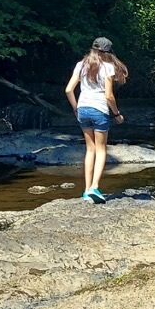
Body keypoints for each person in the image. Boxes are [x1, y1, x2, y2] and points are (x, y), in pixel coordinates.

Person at [64, 37, 128, 203]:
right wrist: (116, 114)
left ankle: (86, 191)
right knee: (101, 150)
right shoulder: (107, 67)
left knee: (89, 149)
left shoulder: (81, 64)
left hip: (83, 110)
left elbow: (69, 89)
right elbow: (108, 96)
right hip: (99, 110)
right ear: (106, 53)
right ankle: (94, 187)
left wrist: (76, 108)